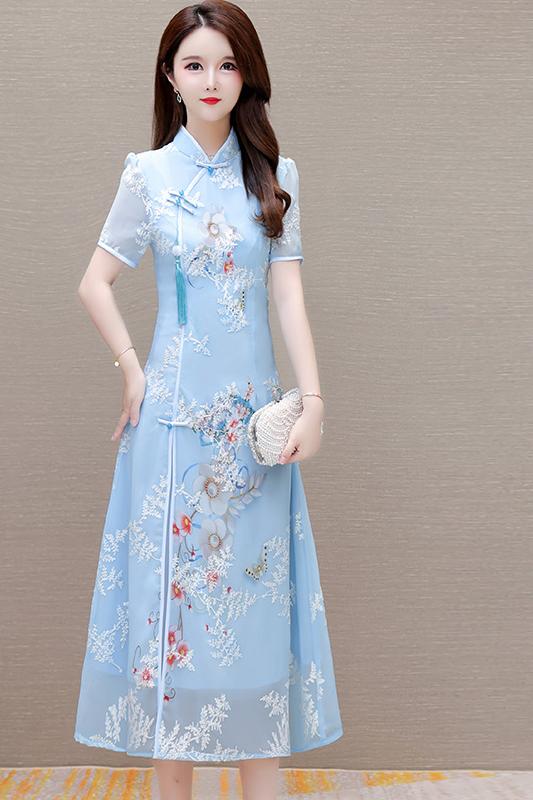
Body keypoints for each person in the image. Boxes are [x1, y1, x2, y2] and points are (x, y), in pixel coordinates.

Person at [74, 2, 343, 798]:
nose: (212, 79)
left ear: (246, 75)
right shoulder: (147, 175)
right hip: (172, 429)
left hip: (254, 434)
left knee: (254, 614)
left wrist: (312, 399)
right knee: (175, 621)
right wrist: (132, 369)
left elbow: (287, 296)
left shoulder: (276, 176)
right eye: (194, 64)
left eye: (227, 64)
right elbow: (94, 281)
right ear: (170, 77)